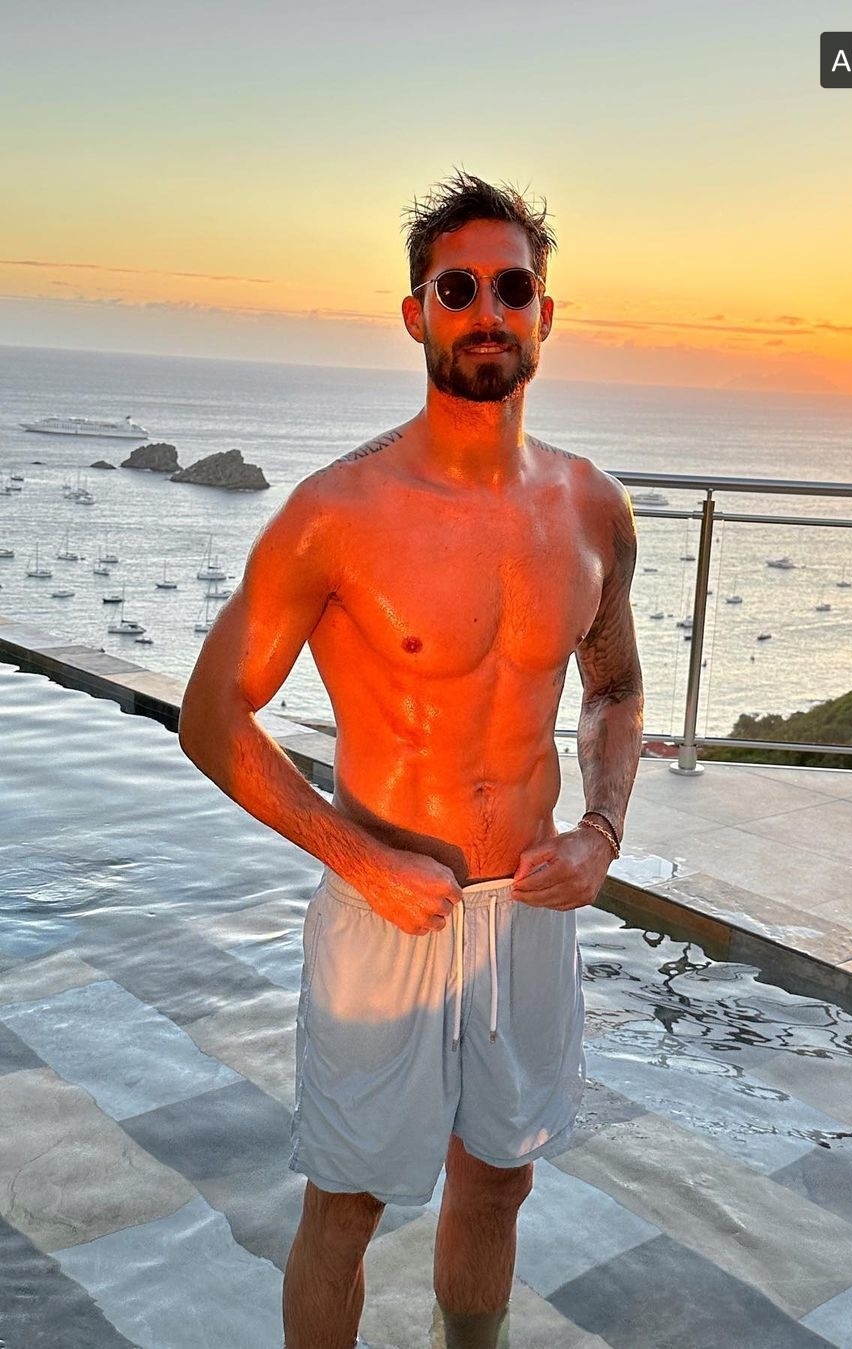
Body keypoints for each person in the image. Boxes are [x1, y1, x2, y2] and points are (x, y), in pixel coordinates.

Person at [178, 170, 644, 1349]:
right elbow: (213, 716)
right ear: (416, 313)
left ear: (544, 313)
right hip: (385, 910)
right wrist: (361, 858)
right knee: (347, 1203)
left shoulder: (592, 508)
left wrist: (602, 830)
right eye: (458, 287)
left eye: (511, 288)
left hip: (526, 905)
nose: (487, 310)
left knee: (500, 1178)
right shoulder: (336, 513)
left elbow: (615, 685)